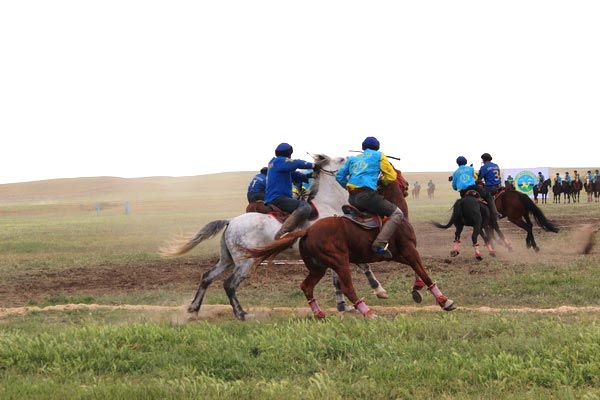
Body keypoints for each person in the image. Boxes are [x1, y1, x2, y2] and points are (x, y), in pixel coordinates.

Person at [335, 136, 404, 259]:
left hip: (352, 197)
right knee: (397, 214)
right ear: (377, 148)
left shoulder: (352, 159)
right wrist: (381, 182)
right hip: (367, 196)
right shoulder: (379, 156)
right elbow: (392, 176)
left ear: (363, 148)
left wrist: (347, 187)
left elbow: (339, 176)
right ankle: (379, 244)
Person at [265, 143, 315, 239]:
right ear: (289, 153)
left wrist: (309, 176)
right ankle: (282, 234)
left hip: (276, 197)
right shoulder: (279, 161)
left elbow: (295, 175)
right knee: (305, 207)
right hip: (278, 198)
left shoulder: (278, 164)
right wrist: (313, 165)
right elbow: (296, 163)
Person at [451, 156, 497, 220]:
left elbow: (454, 186)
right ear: (466, 162)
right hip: (474, 188)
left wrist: (456, 188)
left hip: (463, 191)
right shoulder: (471, 169)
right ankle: (495, 213)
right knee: (488, 195)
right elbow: (476, 177)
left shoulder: (455, 173)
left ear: (457, 163)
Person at [478, 153, 502, 219]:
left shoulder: (484, 167)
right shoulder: (496, 165)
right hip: (499, 186)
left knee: (478, 196)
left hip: (490, 188)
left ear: (483, 159)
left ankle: (490, 213)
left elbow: (479, 178)